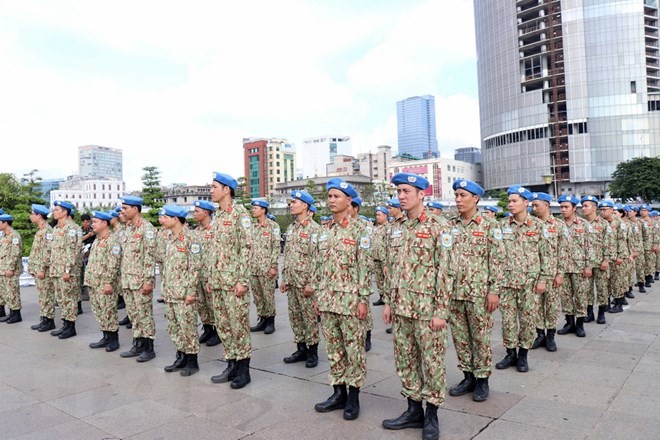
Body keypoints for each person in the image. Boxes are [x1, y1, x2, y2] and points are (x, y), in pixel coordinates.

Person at [381, 173, 451, 440]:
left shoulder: (438, 226)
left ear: (422, 194)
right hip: (401, 308)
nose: (401, 195)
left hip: (427, 310)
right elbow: (393, 269)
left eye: (407, 191)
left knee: (432, 362)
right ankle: (413, 410)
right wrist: (388, 301)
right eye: (399, 191)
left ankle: (431, 414)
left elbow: (446, 272)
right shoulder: (397, 227)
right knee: (406, 361)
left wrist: (440, 312)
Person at [313, 178, 370, 421]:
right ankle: (338, 393)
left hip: (350, 302)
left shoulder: (361, 231)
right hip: (327, 300)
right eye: (330, 197)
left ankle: (354, 396)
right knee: (334, 349)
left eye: (337, 196)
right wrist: (317, 295)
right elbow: (317, 265)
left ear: (349, 201)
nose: (332, 200)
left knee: (353, 350)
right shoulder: (324, 230)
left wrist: (363, 299)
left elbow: (365, 268)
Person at [446, 179, 504, 402]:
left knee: (480, 338)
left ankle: (482, 380)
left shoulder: (489, 226)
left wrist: (494, 291)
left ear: (476, 199)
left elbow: (497, 260)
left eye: (463, 195)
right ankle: (467, 376)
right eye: (457, 195)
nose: (458, 200)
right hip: (455, 293)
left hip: (479, 293)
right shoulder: (450, 225)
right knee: (460, 338)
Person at [207, 172, 253, 389]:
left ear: (227, 189)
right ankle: (232, 363)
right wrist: (210, 276)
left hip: (234, 282)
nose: (211, 190)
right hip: (218, 282)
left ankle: (244, 369)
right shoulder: (218, 216)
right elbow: (214, 250)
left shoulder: (240, 214)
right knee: (224, 326)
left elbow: (247, 248)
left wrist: (243, 280)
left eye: (214, 187)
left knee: (238, 326)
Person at [495, 186, 548, 373]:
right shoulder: (501, 226)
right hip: (506, 282)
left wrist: (543, 279)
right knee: (508, 321)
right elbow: (495, 255)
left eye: (514, 201)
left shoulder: (539, 226)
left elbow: (546, 255)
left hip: (530, 283)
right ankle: (510, 353)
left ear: (526, 203)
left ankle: (523, 355)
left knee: (527, 320)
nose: (510, 204)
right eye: (509, 201)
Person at [280, 190, 321, 368]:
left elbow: (318, 259)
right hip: (292, 281)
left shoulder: (315, 230)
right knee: (295, 317)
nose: (291, 205)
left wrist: (312, 283)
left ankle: (312, 351)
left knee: (309, 318)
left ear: (305, 205)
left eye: (295, 202)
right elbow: (287, 254)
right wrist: (284, 278)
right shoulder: (291, 228)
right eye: (291, 202)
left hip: (306, 283)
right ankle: (301, 348)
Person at [160, 205, 202, 376]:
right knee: (174, 327)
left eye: (166, 217)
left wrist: (191, 291)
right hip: (171, 292)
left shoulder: (191, 238)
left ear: (175, 219)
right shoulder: (170, 238)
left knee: (187, 327)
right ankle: (181, 356)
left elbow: (195, 267)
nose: (163, 220)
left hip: (185, 293)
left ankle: (192, 361)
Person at [118, 196, 157, 362]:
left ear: (135, 209)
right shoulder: (127, 229)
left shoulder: (146, 229)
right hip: (128, 280)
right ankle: (138, 343)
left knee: (144, 314)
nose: (123, 211)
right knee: (134, 314)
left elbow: (149, 256)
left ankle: (149, 347)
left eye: (125, 208)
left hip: (140, 281)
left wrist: (148, 280)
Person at [530, 193, 565, 352]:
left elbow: (563, 251)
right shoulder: (530, 224)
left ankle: (550, 336)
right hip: (534, 274)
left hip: (552, 274)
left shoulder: (558, 225)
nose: (534, 208)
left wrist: (560, 274)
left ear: (546, 205)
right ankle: (539, 334)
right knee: (535, 306)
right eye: (533, 205)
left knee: (552, 305)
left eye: (537, 205)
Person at [556, 195, 593, 338]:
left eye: (566, 207)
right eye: (561, 207)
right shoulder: (557, 224)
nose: (563, 210)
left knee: (581, 296)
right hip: (562, 268)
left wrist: (588, 266)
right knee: (565, 296)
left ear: (574, 208)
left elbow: (590, 247)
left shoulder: (584, 225)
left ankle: (580, 324)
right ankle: (569, 322)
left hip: (579, 267)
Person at [85, 211, 122, 352]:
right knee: (99, 311)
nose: (92, 224)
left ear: (104, 223)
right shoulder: (98, 239)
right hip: (94, 281)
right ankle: (105, 336)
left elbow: (113, 263)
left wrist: (108, 282)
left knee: (108, 310)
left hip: (104, 283)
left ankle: (113, 339)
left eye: (95, 222)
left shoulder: (112, 240)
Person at [48, 201, 82, 338]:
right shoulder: (57, 228)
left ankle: (71, 327)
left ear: (65, 212)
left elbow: (73, 250)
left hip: (66, 271)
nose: (54, 212)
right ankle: (65, 324)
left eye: (56, 210)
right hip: (56, 269)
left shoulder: (72, 228)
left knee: (69, 299)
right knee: (61, 299)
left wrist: (67, 270)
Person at [580, 196, 615, 323]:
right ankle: (589, 313)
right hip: (586, 263)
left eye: (586, 206)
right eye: (582, 206)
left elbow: (609, 243)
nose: (583, 208)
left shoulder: (604, 224)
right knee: (586, 290)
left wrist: (606, 260)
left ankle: (601, 313)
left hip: (600, 262)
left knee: (602, 288)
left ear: (594, 208)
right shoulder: (580, 224)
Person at [248, 199, 280, 335]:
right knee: (258, 296)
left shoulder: (273, 226)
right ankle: (262, 319)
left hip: (266, 268)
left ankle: (270, 321)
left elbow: (276, 247)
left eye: (255, 208)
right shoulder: (252, 227)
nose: (253, 210)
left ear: (263, 210)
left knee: (268, 296)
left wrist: (273, 266)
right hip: (253, 267)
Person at [192, 200, 221, 347]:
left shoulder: (216, 229)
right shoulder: (196, 232)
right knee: (202, 305)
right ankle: (208, 328)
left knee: (213, 305)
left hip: (212, 275)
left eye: (197, 211)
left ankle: (218, 331)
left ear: (206, 212)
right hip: (199, 275)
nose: (194, 213)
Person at [28, 204, 56, 331]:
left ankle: (49, 320)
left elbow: (48, 251)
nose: (30, 216)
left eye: (32, 213)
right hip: (38, 269)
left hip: (44, 270)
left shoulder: (47, 231)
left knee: (46, 295)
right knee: (42, 295)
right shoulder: (41, 230)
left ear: (39, 215)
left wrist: (41, 268)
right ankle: (44, 318)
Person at [599, 201, 630, 314]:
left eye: (605, 209)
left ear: (612, 210)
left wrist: (620, 256)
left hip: (616, 257)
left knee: (617, 281)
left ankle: (618, 303)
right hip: (604, 258)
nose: (602, 212)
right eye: (601, 210)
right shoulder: (600, 222)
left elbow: (622, 240)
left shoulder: (618, 223)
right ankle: (606, 303)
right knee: (604, 282)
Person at [0, 212, 23, 324]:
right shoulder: (4, 235)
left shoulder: (14, 235)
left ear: (5, 223)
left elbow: (15, 253)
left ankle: (16, 314)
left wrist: (11, 268)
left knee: (13, 291)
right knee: (7, 292)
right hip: (3, 269)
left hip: (11, 270)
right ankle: (11, 313)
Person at [371, 206, 390, 308]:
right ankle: (382, 297)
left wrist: (386, 261)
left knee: (386, 280)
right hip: (376, 258)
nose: (377, 217)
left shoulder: (389, 228)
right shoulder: (376, 228)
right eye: (376, 215)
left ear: (385, 215)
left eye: (379, 215)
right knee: (379, 280)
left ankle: (388, 298)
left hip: (385, 259)